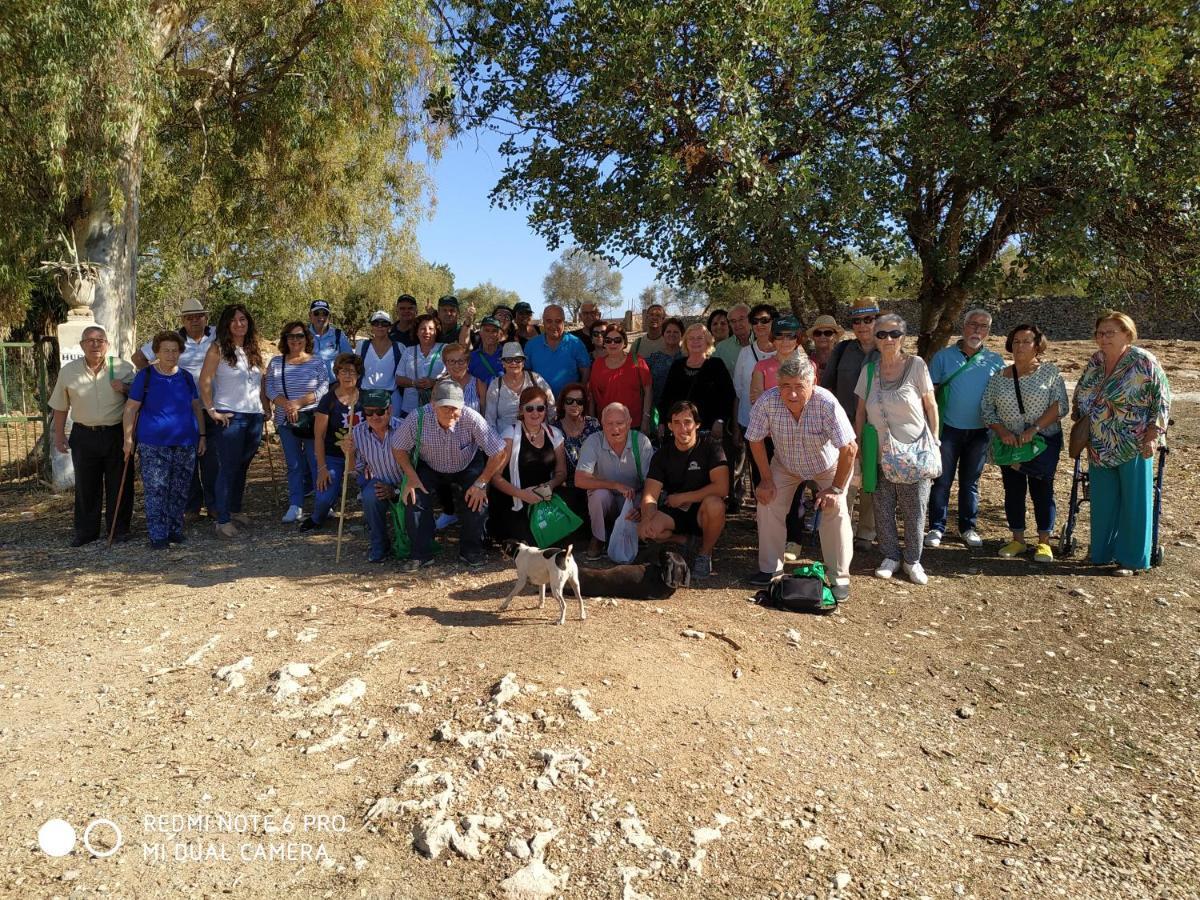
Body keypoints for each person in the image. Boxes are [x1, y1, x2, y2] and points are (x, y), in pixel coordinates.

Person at [744, 354, 856, 599]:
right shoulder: (767, 401)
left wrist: (836, 489)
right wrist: (765, 478)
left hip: (827, 466)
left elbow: (849, 448)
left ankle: (839, 577)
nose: (792, 394)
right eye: (785, 386)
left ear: (812, 383)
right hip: (785, 465)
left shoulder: (827, 403)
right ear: (777, 384)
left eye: (799, 387)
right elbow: (754, 439)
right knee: (767, 502)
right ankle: (770, 569)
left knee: (835, 510)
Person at [1071, 311, 1171, 575]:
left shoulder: (1143, 361)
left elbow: (1161, 400)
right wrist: (1079, 415)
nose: (1103, 338)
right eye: (1100, 333)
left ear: (1127, 334)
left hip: (1134, 442)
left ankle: (1132, 560)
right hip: (1099, 443)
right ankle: (1101, 554)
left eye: (1110, 333)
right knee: (1103, 501)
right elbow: (1081, 391)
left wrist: (1154, 434)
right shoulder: (1095, 361)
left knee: (1135, 503)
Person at [854, 314, 939, 585]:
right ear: (875, 339)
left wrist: (934, 439)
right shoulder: (868, 371)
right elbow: (859, 413)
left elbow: (931, 405)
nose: (887, 339)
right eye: (881, 334)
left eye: (894, 334)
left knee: (915, 510)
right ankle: (890, 556)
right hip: (879, 453)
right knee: (883, 507)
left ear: (903, 337)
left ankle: (912, 560)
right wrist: (858, 446)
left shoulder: (916, 365)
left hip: (914, 453)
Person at [393, 379, 510, 570]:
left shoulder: (471, 418)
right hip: (430, 465)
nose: (451, 412)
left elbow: (499, 451)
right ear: (433, 405)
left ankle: (471, 551)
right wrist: (411, 476)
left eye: (455, 407)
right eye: (445, 407)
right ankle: (421, 554)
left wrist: (482, 482)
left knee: (477, 501)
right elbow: (398, 448)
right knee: (414, 498)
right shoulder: (417, 417)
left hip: (466, 465)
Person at [981, 324, 1069, 563]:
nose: (1020, 346)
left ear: (1037, 345)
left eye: (1026, 341)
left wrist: (1035, 428)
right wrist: (1001, 431)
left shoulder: (1050, 373)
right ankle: (1018, 539)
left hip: (1042, 442)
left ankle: (1044, 542)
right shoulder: (999, 377)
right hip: (1010, 443)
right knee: (1013, 491)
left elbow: (1060, 405)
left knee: (1042, 490)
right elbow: (987, 409)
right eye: (1016, 341)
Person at [131, 297, 217, 522]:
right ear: (183, 320)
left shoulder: (217, 335)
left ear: (205, 317)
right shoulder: (174, 340)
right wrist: (157, 380)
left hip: (214, 406)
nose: (194, 320)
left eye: (198, 316)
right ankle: (192, 506)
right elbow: (137, 357)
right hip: (184, 409)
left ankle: (215, 504)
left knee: (211, 460)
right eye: (189, 317)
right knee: (187, 462)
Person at [925, 308, 1005, 550]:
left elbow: (1000, 397)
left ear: (988, 332)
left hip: (980, 432)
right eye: (973, 324)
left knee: (971, 482)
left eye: (983, 326)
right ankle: (936, 527)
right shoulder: (943, 357)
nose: (977, 330)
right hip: (948, 429)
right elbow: (930, 394)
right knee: (941, 480)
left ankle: (967, 527)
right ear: (964, 325)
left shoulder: (995, 361)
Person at [49, 325, 135, 546]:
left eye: (100, 340)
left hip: (116, 432)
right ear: (82, 345)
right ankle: (86, 531)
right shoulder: (69, 371)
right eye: (90, 340)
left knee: (120, 485)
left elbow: (138, 398)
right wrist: (59, 435)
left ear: (107, 344)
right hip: (84, 434)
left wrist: (125, 388)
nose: (95, 345)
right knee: (86, 486)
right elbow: (60, 405)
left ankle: (118, 530)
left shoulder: (122, 367)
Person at [122, 331, 204, 548]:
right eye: (166, 350)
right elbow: (131, 408)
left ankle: (175, 529)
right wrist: (128, 439)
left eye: (175, 350)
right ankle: (158, 534)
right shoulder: (146, 376)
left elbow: (196, 407)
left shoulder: (186, 377)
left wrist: (202, 435)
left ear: (180, 353)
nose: (170, 354)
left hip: (185, 442)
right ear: (156, 352)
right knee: (156, 489)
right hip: (153, 443)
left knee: (179, 489)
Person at [638, 400, 729, 579]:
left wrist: (684, 497)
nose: (683, 428)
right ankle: (686, 541)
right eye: (677, 423)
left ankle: (704, 554)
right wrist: (647, 518)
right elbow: (650, 495)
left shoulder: (711, 447)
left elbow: (722, 488)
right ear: (670, 426)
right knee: (645, 531)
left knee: (715, 504)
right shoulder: (663, 454)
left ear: (697, 425)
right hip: (675, 511)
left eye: (687, 422)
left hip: (703, 510)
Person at [199, 304, 266, 538]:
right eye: (234, 320)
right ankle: (222, 519)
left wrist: (264, 410)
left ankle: (234, 509)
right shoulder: (217, 349)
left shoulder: (253, 349)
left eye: (243, 319)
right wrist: (211, 410)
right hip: (230, 416)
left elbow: (260, 382)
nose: (239, 324)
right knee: (227, 468)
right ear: (226, 324)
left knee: (242, 466)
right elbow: (205, 381)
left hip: (254, 416)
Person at [821, 299, 881, 551]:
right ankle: (841, 530)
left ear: (877, 320)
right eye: (857, 320)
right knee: (844, 478)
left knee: (872, 480)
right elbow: (827, 386)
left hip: (879, 428)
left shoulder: (888, 348)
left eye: (868, 319)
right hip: (843, 427)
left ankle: (866, 533)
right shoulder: (843, 350)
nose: (862, 325)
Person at [265, 321, 329, 523]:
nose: (296, 340)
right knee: (293, 464)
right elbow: (270, 389)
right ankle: (296, 504)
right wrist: (288, 406)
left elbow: (323, 388)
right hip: (286, 420)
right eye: (291, 336)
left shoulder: (317, 362)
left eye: (300, 336)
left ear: (306, 338)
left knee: (316, 461)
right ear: (285, 339)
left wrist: (298, 404)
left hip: (312, 420)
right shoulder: (276, 362)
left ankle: (323, 503)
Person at [489, 386, 568, 544]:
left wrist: (549, 486)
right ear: (521, 410)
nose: (535, 413)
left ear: (545, 411)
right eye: (529, 408)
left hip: (544, 495)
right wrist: (523, 494)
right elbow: (495, 477)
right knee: (532, 542)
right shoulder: (509, 435)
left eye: (540, 408)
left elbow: (561, 472)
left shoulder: (554, 434)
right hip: (515, 499)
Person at [575, 403, 654, 560]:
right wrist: (614, 485)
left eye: (619, 423)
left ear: (629, 423)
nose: (614, 429)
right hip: (608, 500)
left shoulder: (641, 442)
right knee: (599, 495)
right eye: (609, 424)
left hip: (634, 498)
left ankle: (640, 534)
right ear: (602, 424)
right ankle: (598, 538)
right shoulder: (593, 441)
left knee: (646, 499)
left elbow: (652, 483)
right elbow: (580, 480)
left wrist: (641, 509)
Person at [345, 389, 409, 562]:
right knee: (369, 496)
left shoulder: (404, 428)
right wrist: (349, 454)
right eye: (369, 412)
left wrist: (396, 489)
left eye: (380, 411)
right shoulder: (357, 433)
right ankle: (380, 544)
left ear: (390, 410)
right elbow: (354, 471)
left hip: (406, 483)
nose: (375, 416)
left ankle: (416, 544)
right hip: (380, 481)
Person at [304, 352, 363, 531]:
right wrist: (322, 468)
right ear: (336, 374)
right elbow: (319, 437)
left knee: (372, 491)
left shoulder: (366, 399)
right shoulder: (328, 400)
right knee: (323, 499)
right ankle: (317, 517)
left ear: (358, 375)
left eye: (352, 372)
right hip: (334, 456)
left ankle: (373, 520)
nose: (347, 375)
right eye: (343, 371)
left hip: (362, 456)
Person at [656, 323, 736, 438]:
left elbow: (728, 396)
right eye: (691, 338)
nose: (695, 341)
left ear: (707, 341)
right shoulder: (677, 366)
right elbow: (666, 397)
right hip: (680, 431)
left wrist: (720, 420)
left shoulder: (716, 365)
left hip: (709, 431)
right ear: (685, 342)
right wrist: (662, 422)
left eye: (700, 338)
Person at [554, 381, 602, 528]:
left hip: (593, 480)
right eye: (570, 401)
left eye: (579, 401)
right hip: (566, 483)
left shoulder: (593, 424)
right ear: (562, 404)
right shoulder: (554, 428)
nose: (575, 405)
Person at [589, 323, 653, 432]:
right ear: (604, 343)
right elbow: (593, 395)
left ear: (624, 342)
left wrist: (645, 420)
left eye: (617, 340)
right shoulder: (598, 364)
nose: (612, 343)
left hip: (633, 423)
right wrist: (592, 422)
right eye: (608, 340)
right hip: (607, 424)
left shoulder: (637, 361)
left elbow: (648, 390)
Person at [523, 303, 592, 398]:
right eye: (549, 321)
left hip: (569, 404)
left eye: (558, 321)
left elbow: (585, 369)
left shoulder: (575, 343)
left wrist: (581, 392)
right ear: (543, 322)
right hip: (540, 405)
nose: (553, 325)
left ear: (564, 321)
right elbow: (525, 372)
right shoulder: (531, 345)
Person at [486, 342, 556, 432]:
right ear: (503, 363)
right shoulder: (496, 385)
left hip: (536, 436)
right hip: (504, 439)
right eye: (509, 360)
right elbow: (490, 420)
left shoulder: (535, 379)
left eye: (518, 359)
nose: (514, 363)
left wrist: (548, 432)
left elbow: (551, 406)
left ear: (523, 362)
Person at [357, 310, 405, 416]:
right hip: (367, 397)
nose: (380, 326)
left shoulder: (399, 347)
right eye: (376, 323)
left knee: (394, 430)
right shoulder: (362, 346)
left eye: (384, 323)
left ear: (390, 327)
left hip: (391, 398)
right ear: (371, 326)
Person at [396, 314, 446, 415]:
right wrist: (413, 383)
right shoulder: (408, 351)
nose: (427, 332)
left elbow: (454, 375)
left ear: (436, 331)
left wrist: (434, 382)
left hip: (437, 408)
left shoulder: (445, 349)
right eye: (422, 328)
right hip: (410, 409)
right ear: (417, 332)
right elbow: (398, 379)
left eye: (431, 328)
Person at [749, 316, 803, 404]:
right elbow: (756, 401)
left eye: (791, 336)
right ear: (772, 339)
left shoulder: (809, 366)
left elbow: (811, 400)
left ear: (798, 339)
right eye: (779, 335)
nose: (785, 340)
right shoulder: (761, 366)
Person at [644, 317, 684, 421]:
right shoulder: (653, 358)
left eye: (676, 332)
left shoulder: (688, 357)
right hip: (658, 413)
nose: (672, 334)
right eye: (668, 331)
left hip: (683, 412)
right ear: (663, 334)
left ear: (682, 335)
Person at [307, 298, 353, 379]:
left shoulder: (338, 335)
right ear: (310, 315)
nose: (321, 317)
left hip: (333, 387)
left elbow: (350, 361)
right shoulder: (303, 335)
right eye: (317, 313)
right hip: (309, 387)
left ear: (329, 317)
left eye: (325, 313)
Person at [714, 303, 752, 378]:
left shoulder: (763, 341)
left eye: (741, 319)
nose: (737, 324)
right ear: (730, 324)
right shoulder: (721, 349)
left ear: (750, 319)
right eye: (733, 321)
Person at [468, 315, 505, 385]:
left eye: (494, 331)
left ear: (500, 335)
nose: (490, 334)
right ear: (480, 333)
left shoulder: (507, 355)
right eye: (486, 330)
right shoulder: (471, 357)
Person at [807, 314, 841, 383]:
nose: (822, 336)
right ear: (813, 337)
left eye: (828, 333)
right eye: (818, 333)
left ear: (835, 337)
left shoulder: (843, 360)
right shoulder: (806, 363)